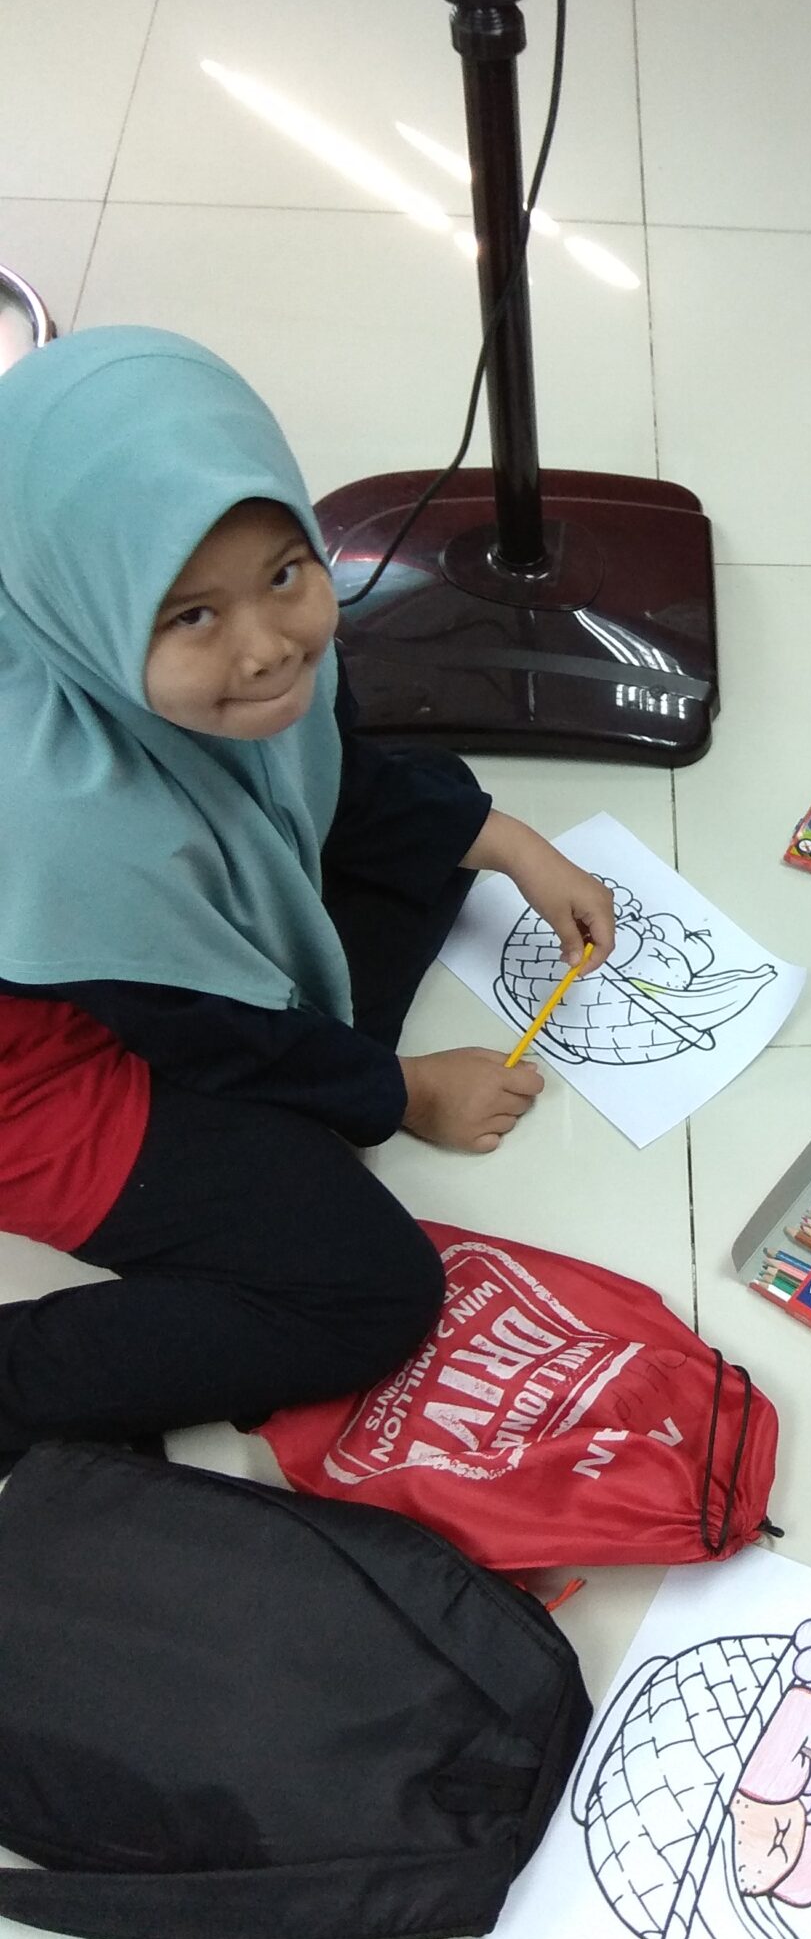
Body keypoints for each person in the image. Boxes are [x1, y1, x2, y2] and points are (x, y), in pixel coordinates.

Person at [0, 327, 616, 1457]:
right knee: (367, 1289)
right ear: (88, 607)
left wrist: (519, 848)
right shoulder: (61, 824)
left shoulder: (195, 661)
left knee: (441, 809)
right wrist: (403, 1091)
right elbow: (213, 1038)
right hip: (44, 1077)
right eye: (191, 615)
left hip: (159, 975)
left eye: (286, 573)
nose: (267, 648)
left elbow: (339, 781)